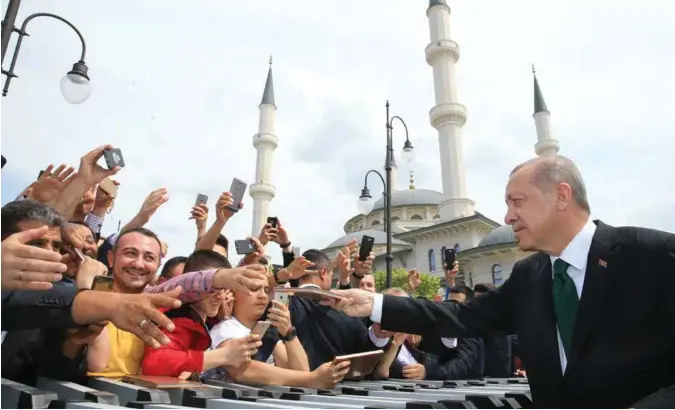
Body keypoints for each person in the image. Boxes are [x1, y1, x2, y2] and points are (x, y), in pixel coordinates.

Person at [325, 155, 675, 408]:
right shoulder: (530, 276)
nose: (508, 216)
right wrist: (376, 304)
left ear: (562, 196)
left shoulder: (651, 255)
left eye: (517, 201)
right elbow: (461, 317)